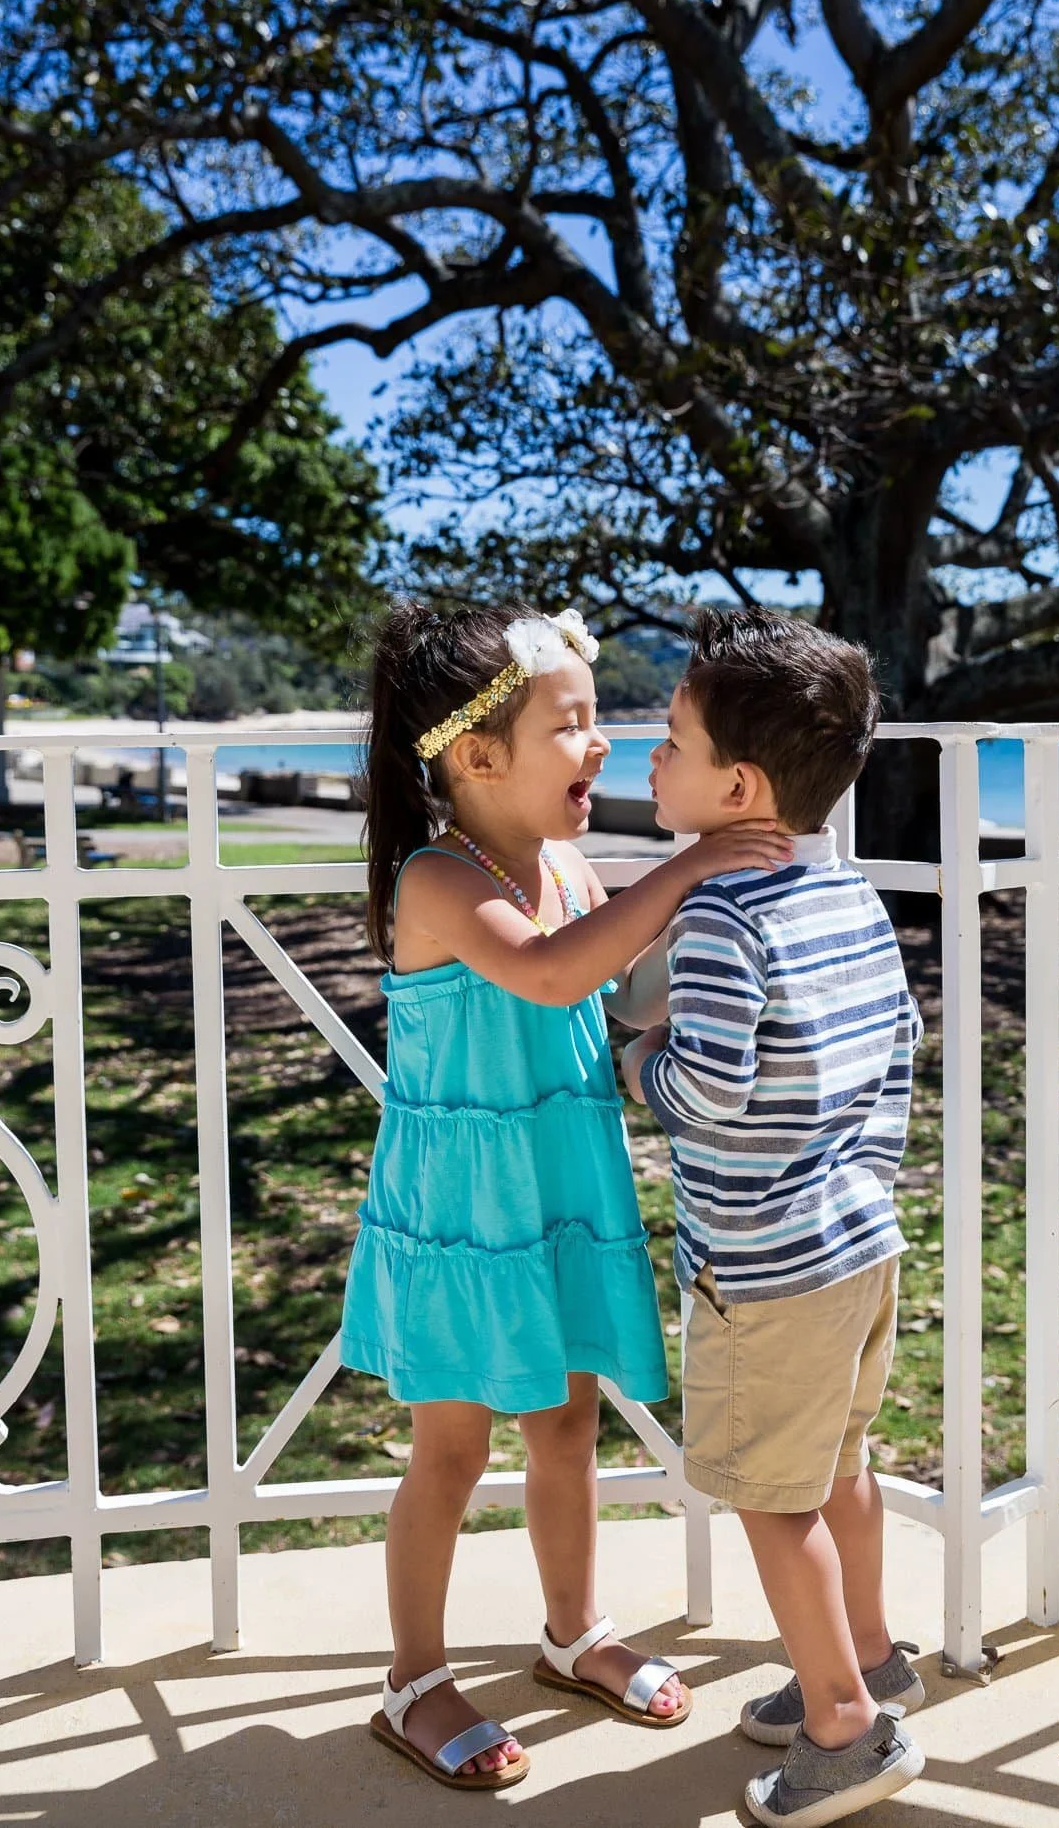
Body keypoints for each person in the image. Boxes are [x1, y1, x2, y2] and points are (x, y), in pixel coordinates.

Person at [341, 600, 793, 1792]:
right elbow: (548, 976)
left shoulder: (560, 860)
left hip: (557, 1190)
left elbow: (612, 984)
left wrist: (727, 931)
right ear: (477, 755)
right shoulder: (437, 879)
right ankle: (413, 1679)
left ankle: (569, 1629)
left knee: (568, 1424)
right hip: (463, 1213)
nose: (599, 745)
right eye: (573, 724)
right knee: (448, 1449)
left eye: (598, 722)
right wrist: (693, 862)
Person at [621, 607, 926, 1828]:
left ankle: (847, 1727)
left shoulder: (717, 916)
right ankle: (864, 1653)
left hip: (766, 1265)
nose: (651, 757)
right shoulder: (844, 889)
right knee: (837, 1461)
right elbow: (895, 1042)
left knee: (770, 1494)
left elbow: (708, 1087)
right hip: (861, 1241)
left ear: (736, 785)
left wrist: (636, 1057)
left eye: (671, 738)